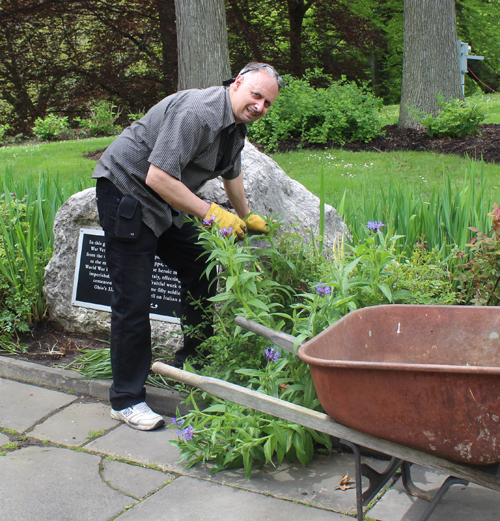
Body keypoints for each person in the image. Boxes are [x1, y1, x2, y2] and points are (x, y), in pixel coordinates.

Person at [92, 62, 284, 431]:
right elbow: (157, 175)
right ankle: (126, 400)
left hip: (163, 201)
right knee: (133, 298)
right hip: (126, 192)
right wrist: (212, 213)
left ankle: (193, 363)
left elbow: (232, 173)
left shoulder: (235, 127)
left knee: (202, 263)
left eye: (267, 103)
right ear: (238, 83)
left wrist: (246, 215)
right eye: (256, 96)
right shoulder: (198, 112)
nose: (260, 106)